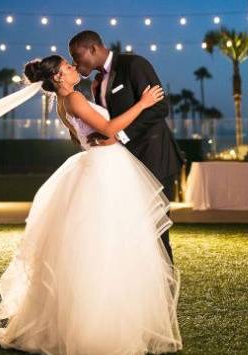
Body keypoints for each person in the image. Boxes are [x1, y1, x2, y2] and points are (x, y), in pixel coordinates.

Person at [0, 55, 182, 355]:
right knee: (108, 243)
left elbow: (88, 135)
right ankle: (101, 325)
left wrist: (100, 137)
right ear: (58, 78)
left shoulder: (64, 102)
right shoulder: (74, 99)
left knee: (100, 243)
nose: (73, 68)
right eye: (68, 68)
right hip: (105, 169)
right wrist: (143, 103)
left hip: (98, 163)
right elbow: (109, 129)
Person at [69, 30, 185, 264]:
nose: (74, 62)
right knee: (132, 229)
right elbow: (109, 121)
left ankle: (166, 293)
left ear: (93, 49)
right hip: (125, 165)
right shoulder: (96, 83)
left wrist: (120, 136)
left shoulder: (134, 65)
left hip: (154, 159)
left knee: (156, 229)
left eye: (76, 55)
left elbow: (160, 108)